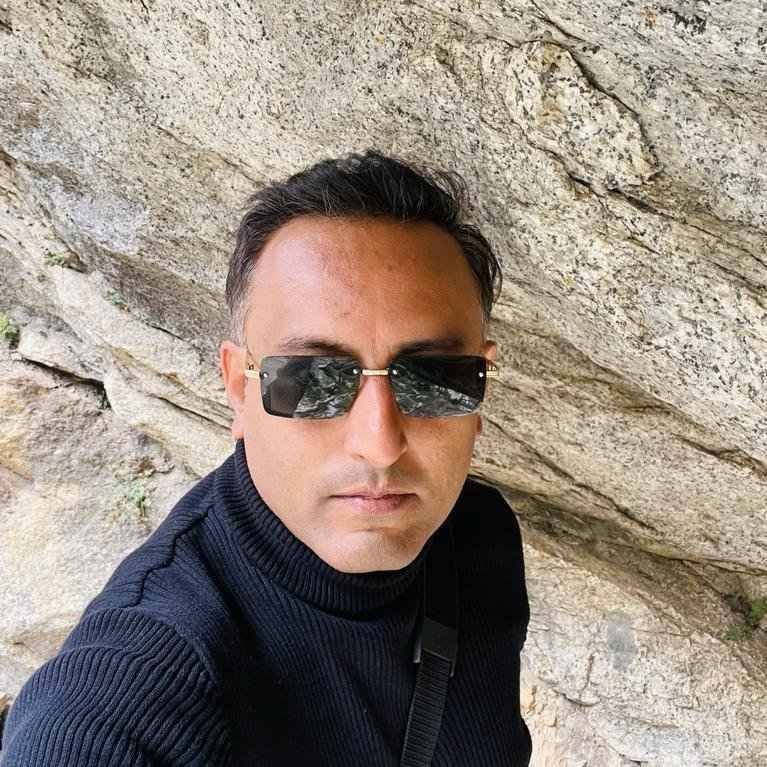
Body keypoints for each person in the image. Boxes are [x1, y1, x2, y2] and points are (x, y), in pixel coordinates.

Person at [0, 149, 532, 765]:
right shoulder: (129, 694)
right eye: (311, 379)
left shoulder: (475, 539)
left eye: (434, 377)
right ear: (238, 388)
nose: (379, 442)